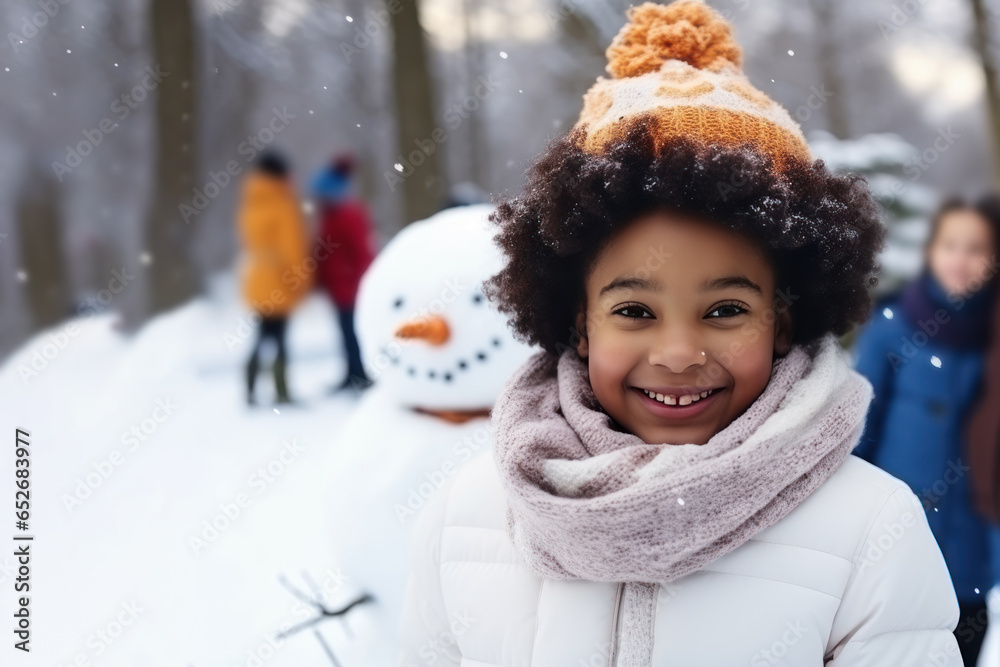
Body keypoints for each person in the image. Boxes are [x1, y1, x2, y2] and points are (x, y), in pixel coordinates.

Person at [398, 1, 962, 664]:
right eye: (634, 311)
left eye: (725, 310)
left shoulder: (872, 529)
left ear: (783, 317)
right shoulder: (468, 516)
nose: (677, 354)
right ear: (578, 320)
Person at [854, 195, 1000, 665]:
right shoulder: (893, 324)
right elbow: (859, 430)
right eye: (949, 244)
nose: (960, 259)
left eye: (976, 248)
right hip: (899, 538)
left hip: (973, 546)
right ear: (931, 250)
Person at [237, 149, 311, 405]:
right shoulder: (282, 204)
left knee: (260, 336)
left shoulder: (251, 202)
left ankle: (249, 386)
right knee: (279, 338)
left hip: (257, 278)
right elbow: (292, 249)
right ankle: (282, 391)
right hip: (280, 281)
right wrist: (300, 280)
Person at [311, 152, 377, 392]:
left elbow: (360, 251)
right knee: (346, 333)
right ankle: (352, 373)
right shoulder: (332, 215)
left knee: (353, 333)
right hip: (339, 285)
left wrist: (362, 280)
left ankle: (358, 374)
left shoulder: (347, 215)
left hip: (349, 285)